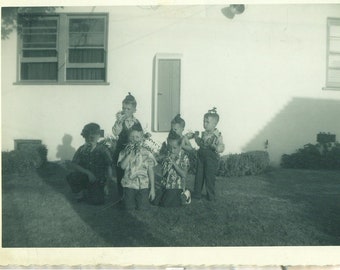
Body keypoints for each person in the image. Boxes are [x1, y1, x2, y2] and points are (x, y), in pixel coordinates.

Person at [66, 123, 113, 205]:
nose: (91, 138)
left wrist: (107, 185)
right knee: (72, 176)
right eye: (88, 136)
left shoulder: (103, 149)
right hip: (86, 176)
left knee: (97, 202)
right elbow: (73, 164)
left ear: (98, 136)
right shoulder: (82, 149)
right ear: (85, 136)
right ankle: (80, 194)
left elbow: (109, 167)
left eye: (94, 136)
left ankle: (94, 191)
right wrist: (88, 173)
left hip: (99, 179)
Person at [117, 122, 156, 210]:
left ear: (142, 138)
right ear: (128, 138)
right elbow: (122, 167)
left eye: (137, 137)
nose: (134, 140)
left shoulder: (147, 153)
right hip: (129, 185)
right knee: (129, 207)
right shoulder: (124, 152)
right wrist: (129, 155)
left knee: (143, 207)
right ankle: (127, 200)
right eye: (132, 137)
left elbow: (150, 170)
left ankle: (143, 201)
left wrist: (152, 188)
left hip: (143, 185)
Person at [112, 92, 140, 200]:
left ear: (134, 110)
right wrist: (119, 122)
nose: (125, 111)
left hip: (133, 151)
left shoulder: (137, 122)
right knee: (121, 173)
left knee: (133, 171)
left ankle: (133, 194)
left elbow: (140, 135)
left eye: (128, 109)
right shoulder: (120, 121)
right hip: (122, 150)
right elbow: (116, 133)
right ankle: (121, 196)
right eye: (124, 108)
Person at [192, 108, 225, 202]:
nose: (204, 124)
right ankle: (197, 193)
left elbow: (221, 147)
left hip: (211, 157)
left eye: (207, 122)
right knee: (199, 175)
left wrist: (216, 147)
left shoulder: (217, 135)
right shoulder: (204, 134)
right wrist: (196, 138)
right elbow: (201, 144)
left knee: (209, 177)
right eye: (204, 121)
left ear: (214, 124)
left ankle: (210, 195)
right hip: (201, 156)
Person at [153, 130, 191, 207]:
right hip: (165, 185)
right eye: (170, 148)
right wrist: (166, 165)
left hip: (176, 186)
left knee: (166, 204)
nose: (172, 150)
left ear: (180, 147)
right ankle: (172, 196)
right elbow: (163, 173)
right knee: (155, 202)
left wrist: (173, 163)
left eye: (174, 148)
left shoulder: (184, 158)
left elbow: (184, 175)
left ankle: (186, 194)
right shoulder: (168, 155)